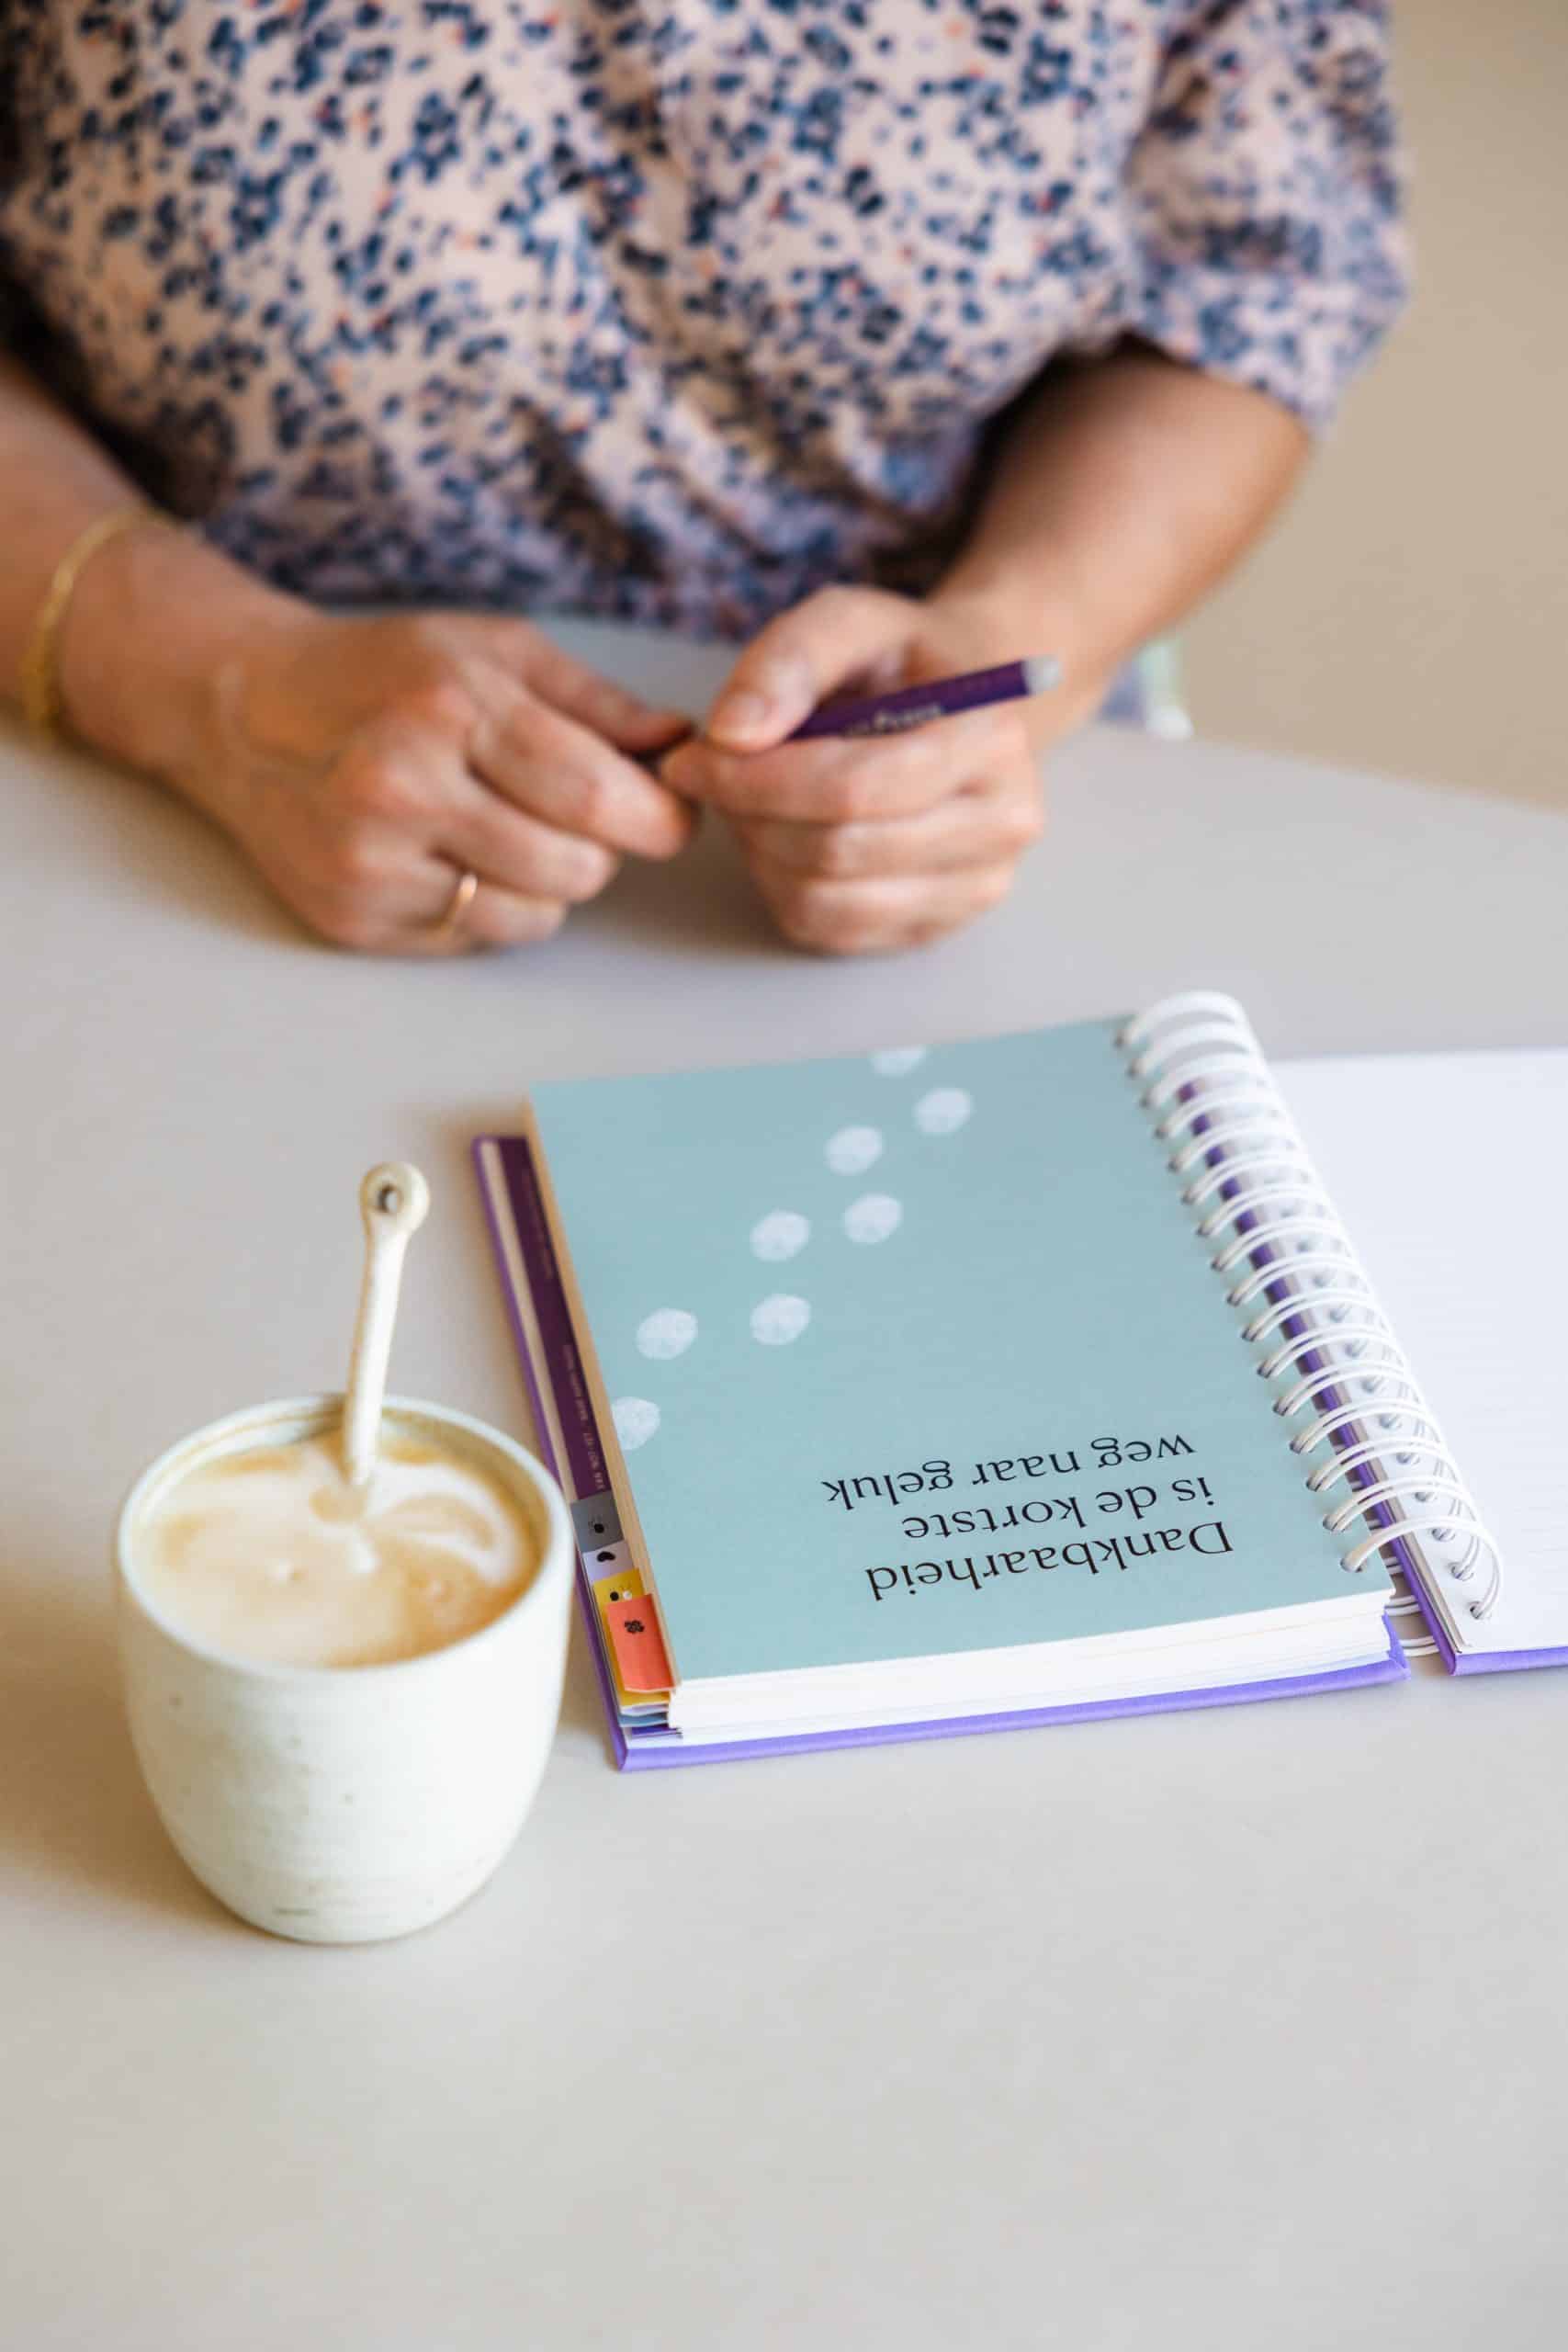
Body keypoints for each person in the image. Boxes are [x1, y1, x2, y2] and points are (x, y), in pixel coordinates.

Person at [0, 2, 1407, 957]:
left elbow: (1253, 286)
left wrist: (1013, 635)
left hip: (953, 844)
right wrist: (211, 686)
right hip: (142, 781)